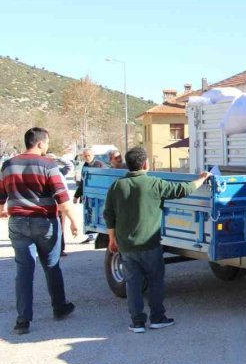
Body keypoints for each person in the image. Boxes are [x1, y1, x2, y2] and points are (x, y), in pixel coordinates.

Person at [103, 147, 210, 333]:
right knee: (155, 281)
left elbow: (109, 214)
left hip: (126, 246)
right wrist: (202, 178)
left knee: (133, 284)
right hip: (150, 244)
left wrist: (112, 238)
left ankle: (137, 322)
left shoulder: (116, 186)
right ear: (146, 164)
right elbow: (182, 190)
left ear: (128, 164)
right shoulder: (154, 184)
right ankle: (157, 318)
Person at [0, 127, 78, 335]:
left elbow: (1, 194)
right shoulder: (48, 164)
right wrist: (73, 221)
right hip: (44, 222)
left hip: (18, 223)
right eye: (47, 143)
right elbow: (62, 198)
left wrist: (2, 210)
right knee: (51, 265)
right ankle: (59, 307)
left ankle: (23, 320)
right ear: (40, 143)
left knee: (23, 271)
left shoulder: (8, 165)